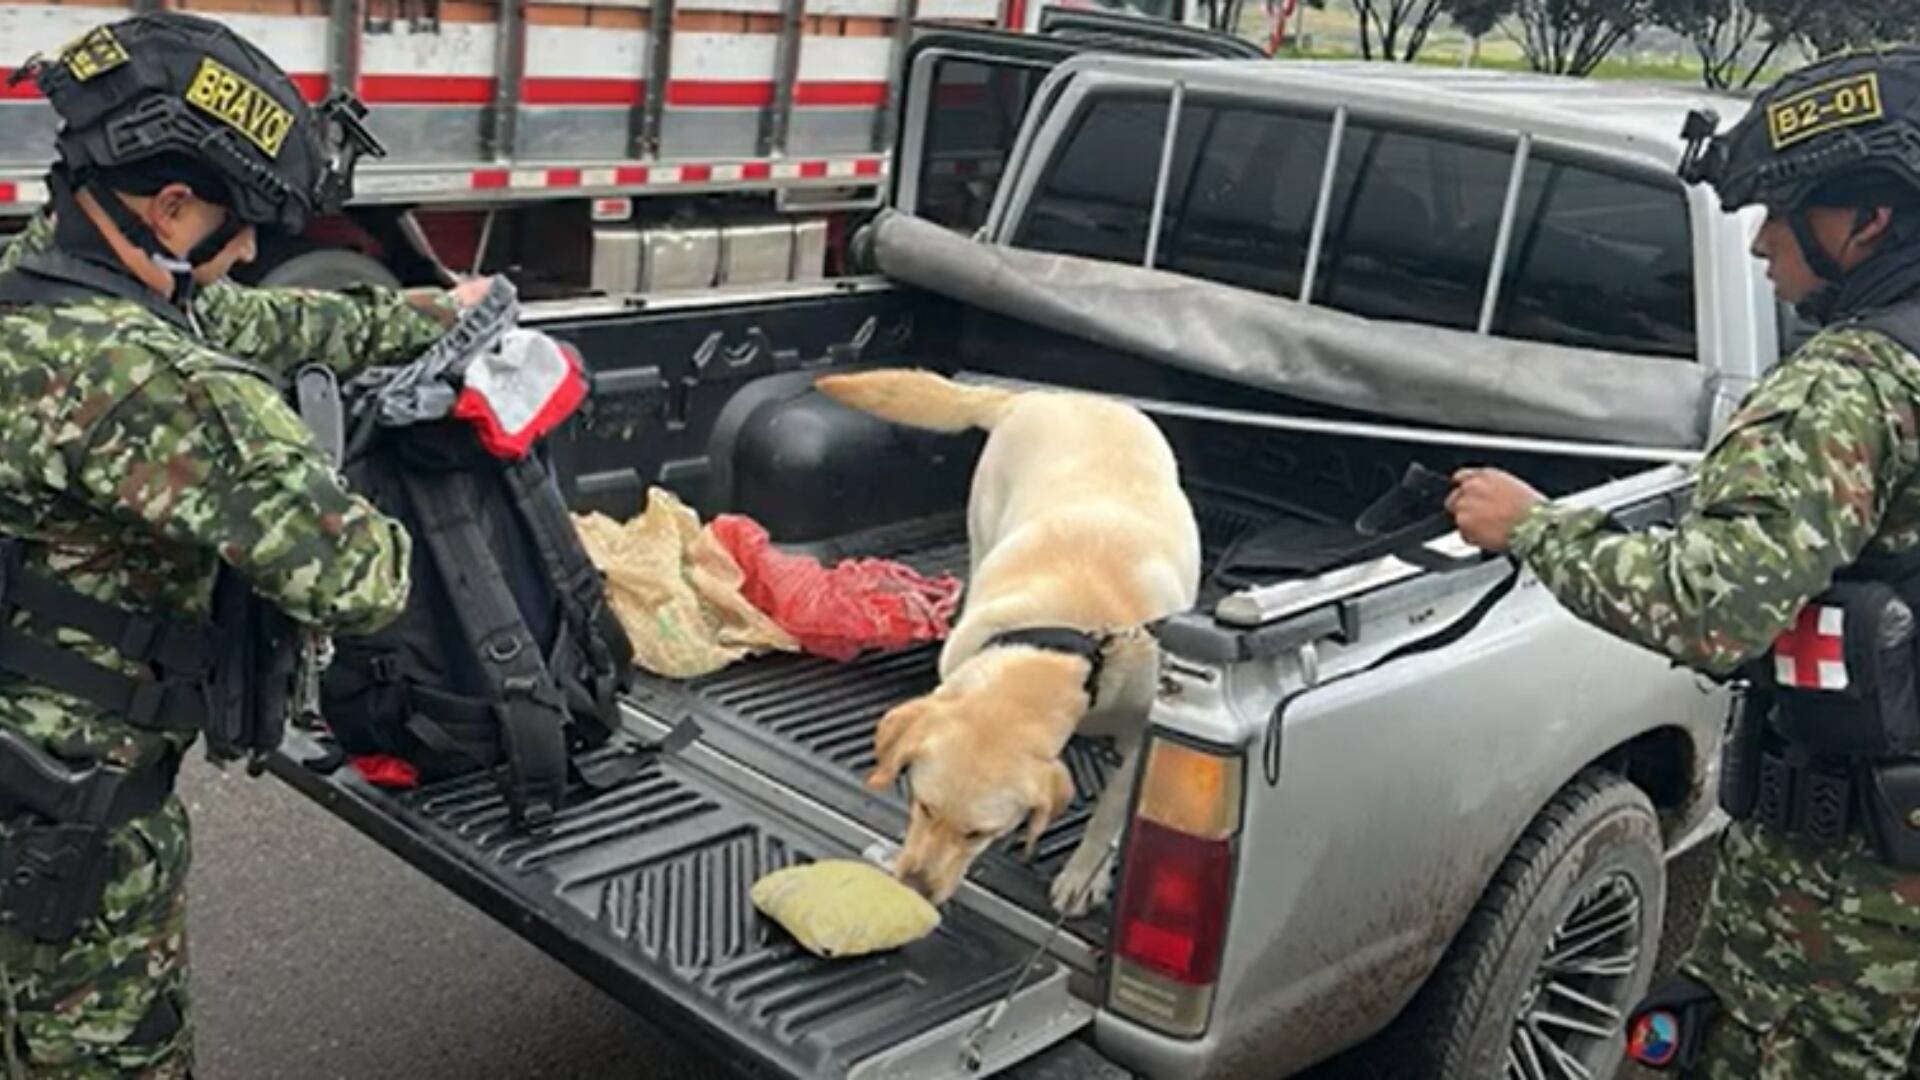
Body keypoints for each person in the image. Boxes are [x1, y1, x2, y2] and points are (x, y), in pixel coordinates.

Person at [0, 13, 482, 1077]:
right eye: (241, 220)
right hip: (74, 830)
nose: (257, 250)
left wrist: (439, 315)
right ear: (169, 209)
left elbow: (267, 323)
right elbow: (361, 574)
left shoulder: (40, 284)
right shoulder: (161, 390)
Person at [1448, 50, 1920, 1079]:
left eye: (1782, 211)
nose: (1758, 242)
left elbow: (1716, 610)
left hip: (1841, 906)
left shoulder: (1849, 386)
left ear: (1868, 224)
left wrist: (1532, 526)